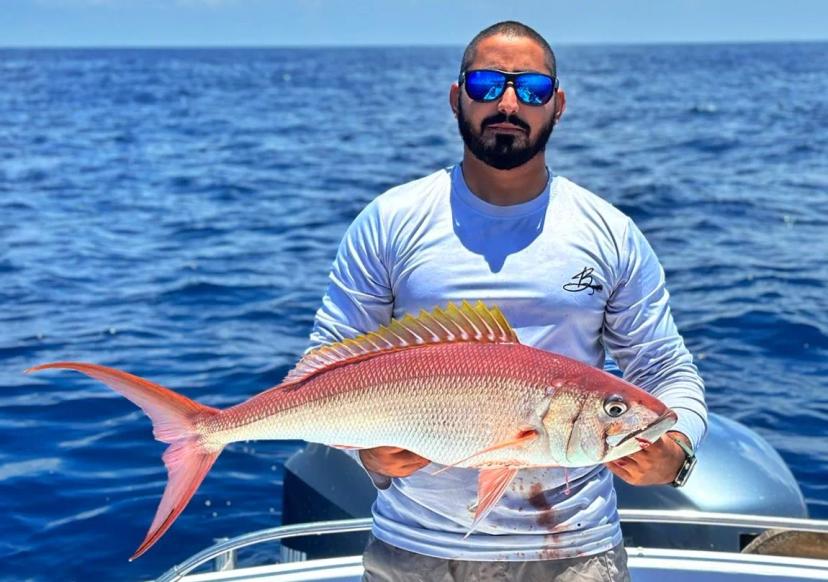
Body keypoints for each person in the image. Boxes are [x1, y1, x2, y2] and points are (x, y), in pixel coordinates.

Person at [307, 20, 707, 582]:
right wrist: (363, 454)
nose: (510, 103)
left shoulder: (609, 232)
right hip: (413, 549)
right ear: (456, 98)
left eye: (534, 90)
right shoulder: (391, 221)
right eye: (487, 84)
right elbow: (329, 364)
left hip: (575, 551)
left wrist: (678, 451)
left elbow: (666, 369)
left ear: (558, 105)